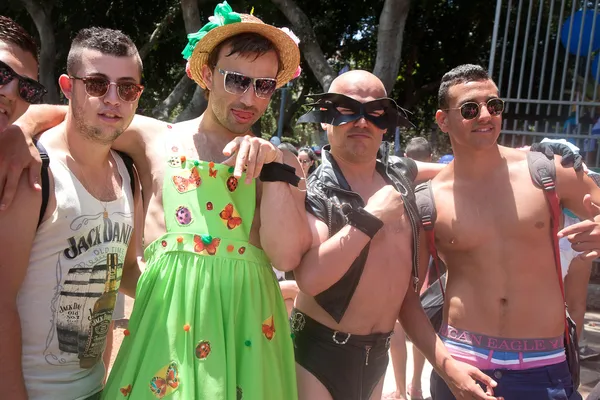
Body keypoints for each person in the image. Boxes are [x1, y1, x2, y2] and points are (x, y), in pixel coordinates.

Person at [292, 70, 502, 400]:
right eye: (347, 110)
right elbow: (311, 278)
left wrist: (533, 157)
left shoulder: (399, 172)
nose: (362, 122)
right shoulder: (315, 190)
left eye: (375, 113)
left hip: (376, 355)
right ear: (324, 119)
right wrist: (369, 218)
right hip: (318, 354)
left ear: (386, 122)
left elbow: (461, 170)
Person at [424, 64, 600, 399]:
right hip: (463, 365)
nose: (486, 115)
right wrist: (444, 365)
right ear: (443, 120)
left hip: (543, 368)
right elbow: (406, 297)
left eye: (495, 106)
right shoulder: (430, 198)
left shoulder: (548, 173)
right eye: (470, 109)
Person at [0, 27, 144, 400]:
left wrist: (191, 290)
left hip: (96, 388)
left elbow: (127, 270)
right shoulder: (34, 169)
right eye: (97, 84)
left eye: (126, 88)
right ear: (68, 86)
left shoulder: (129, 173)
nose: (112, 98)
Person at [385, 136, 435, 400]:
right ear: (431, 155)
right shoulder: (438, 187)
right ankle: (416, 386)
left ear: (406, 155)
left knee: (397, 327)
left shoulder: (396, 183)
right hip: (428, 269)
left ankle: (401, 389)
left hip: (400, 262)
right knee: (423, 322)